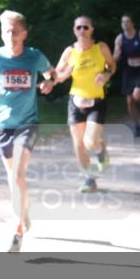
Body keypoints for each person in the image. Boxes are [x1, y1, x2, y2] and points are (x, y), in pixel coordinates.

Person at [0, 10, 55, 252]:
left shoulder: (34, 56)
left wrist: (49, 82)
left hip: (27, 123)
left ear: (24, 34)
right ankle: (24, 214)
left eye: (15, 32)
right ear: (2, 33)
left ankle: (17, 230)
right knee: (14, 176)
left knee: (17, 174)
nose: (10, 36)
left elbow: (51, 73)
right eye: (6, 32)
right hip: (1, 125)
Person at [54, 15, 116, 193]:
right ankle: (89, 179)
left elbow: (112, 65)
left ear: (91, 30)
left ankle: (100, 150)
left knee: (90, 141)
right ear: (74, 30)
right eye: (78, 27)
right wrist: (63, 75)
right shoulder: (69, 52)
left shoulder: (101, 47)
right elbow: (56, 74)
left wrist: (106, 75)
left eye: (86, 27)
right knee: (79, 144)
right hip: (76, 102)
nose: (82, 30)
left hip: (96, 101)